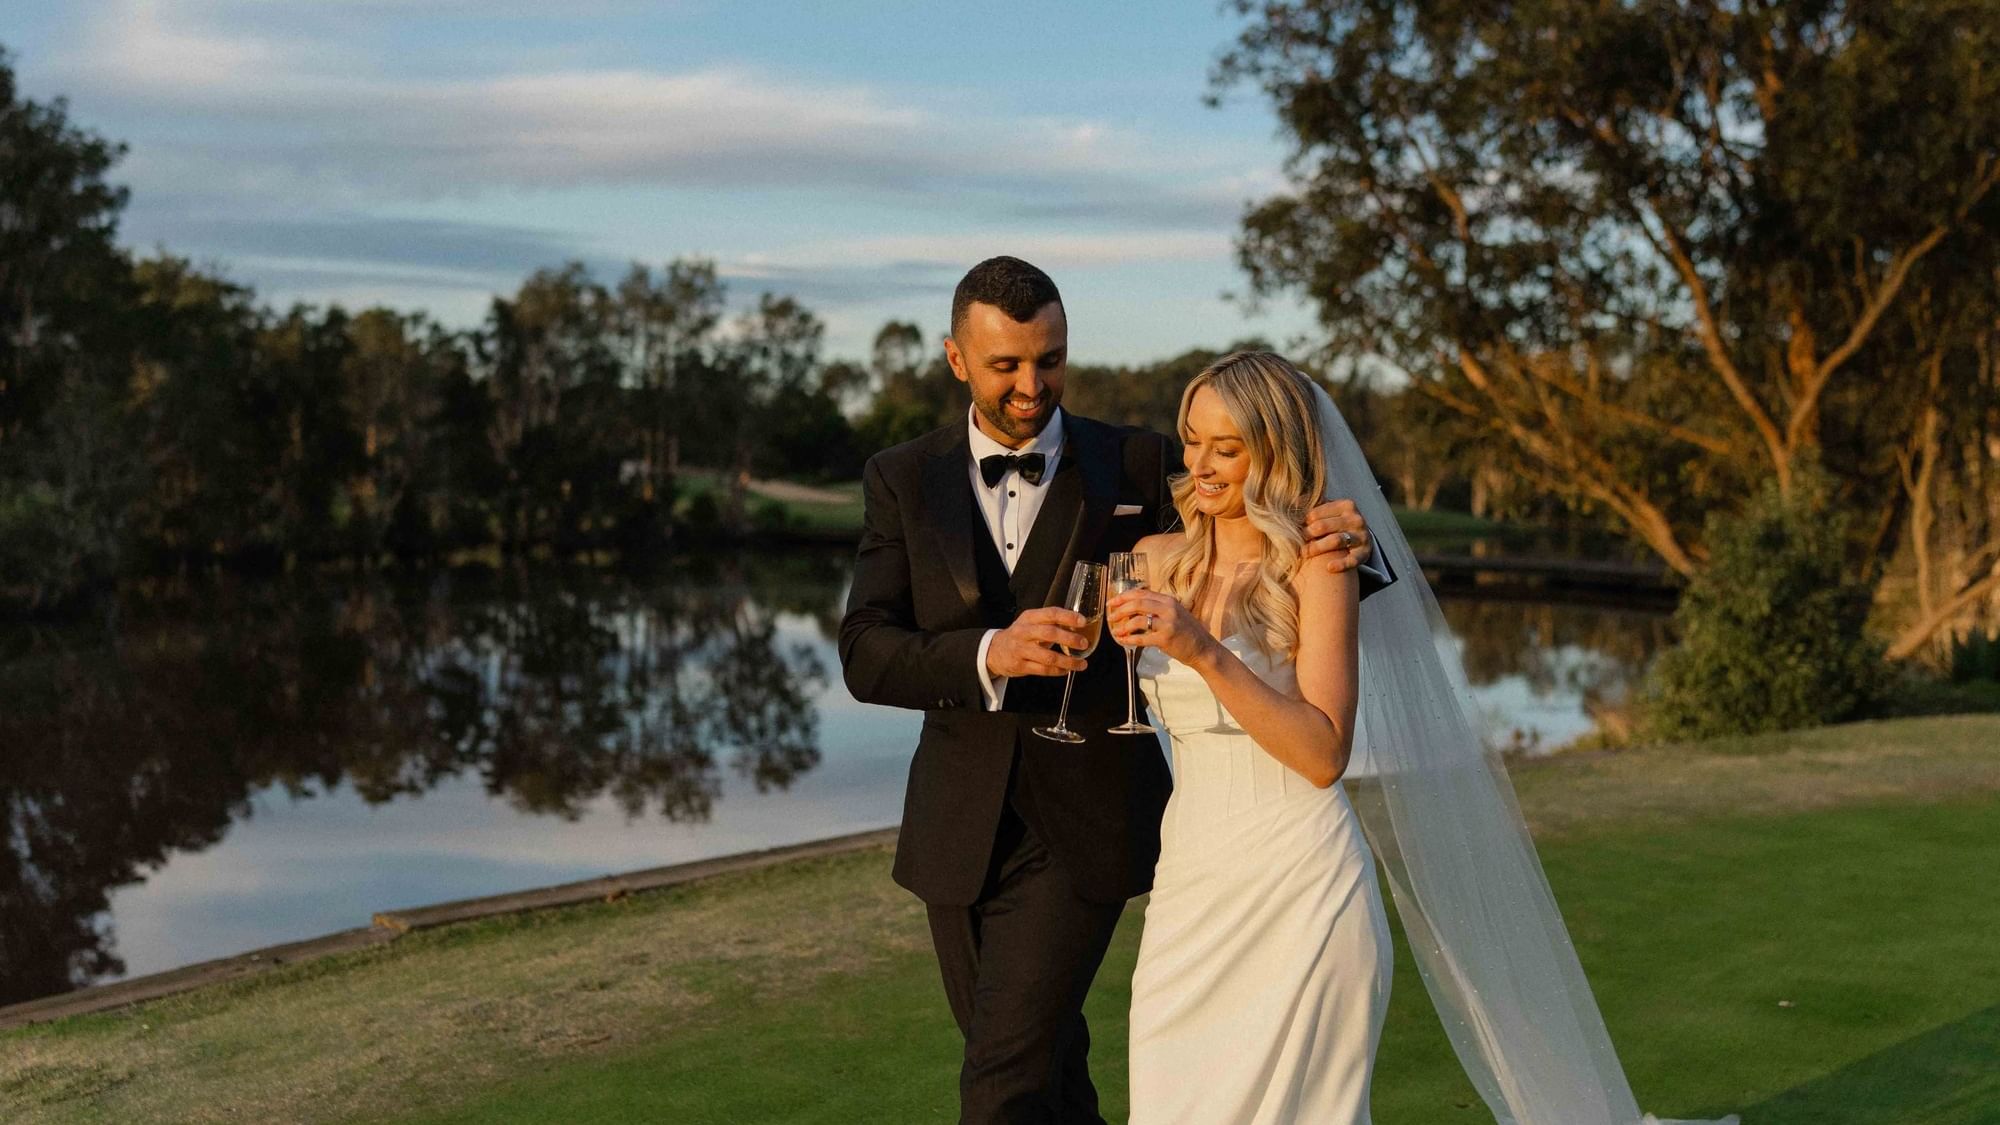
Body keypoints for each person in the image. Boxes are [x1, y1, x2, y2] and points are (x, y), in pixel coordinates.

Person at [1107, 351, 1739, 1125]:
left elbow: (1323, 753)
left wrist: (1203, 650)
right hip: (1191, 887)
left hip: (1300, 884)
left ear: (1273, 452)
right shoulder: (1149, 562)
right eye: (1191, 438)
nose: (1199, 464)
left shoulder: (1320, 562)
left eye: (1226, 447)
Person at [838, 257, 1389, 1124]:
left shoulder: (1139, 463)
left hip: (1091, 815)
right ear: (956, 359)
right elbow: (867, 652)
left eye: (1050, 359)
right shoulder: (902, 477)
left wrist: (1354, 533)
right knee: (1050, 1074)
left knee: (1001, 1081)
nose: (1033, 384)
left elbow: (1265, 501)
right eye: (1006, 365)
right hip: (957, 825)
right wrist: (989, 651)